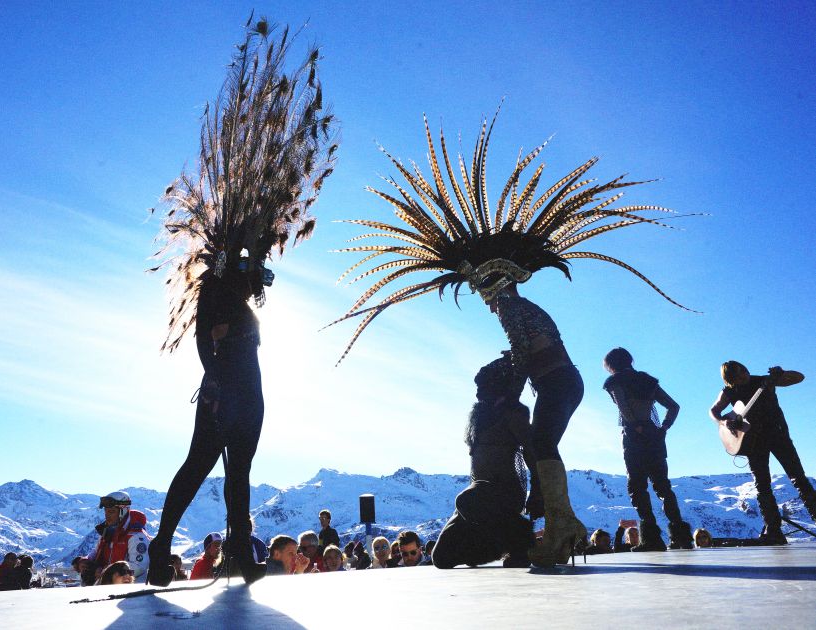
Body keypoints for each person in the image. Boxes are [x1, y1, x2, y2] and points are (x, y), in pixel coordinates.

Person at [328, 113, 690, 567]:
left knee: (541, 443)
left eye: (484, 291)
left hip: (558, 382)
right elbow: (524, 352)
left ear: (496, 284)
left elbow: (522, 353)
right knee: (542, 444)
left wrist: (506, 393)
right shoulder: (519, 310)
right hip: (560, 381)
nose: (484, 300)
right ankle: (557, 523)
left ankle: (561, 526)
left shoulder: (512, 309)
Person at [146, 18, 337, 588]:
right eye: (253, 262)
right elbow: (212, 347)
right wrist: (223, 386)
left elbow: (224, 341)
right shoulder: (218, 290)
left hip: (243, 389)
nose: (262, 272)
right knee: (205, 466)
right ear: (234, 259)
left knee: (237, 474)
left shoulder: (232, 295)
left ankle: (233, 553)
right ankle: (162, 549)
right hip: (229, 390)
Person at [432, 355, 536, 570]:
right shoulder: (478, 417)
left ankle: (520, 540)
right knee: (441, 558)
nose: (478, 394)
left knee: (464, 500)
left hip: (503, 492)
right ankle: (491, 543)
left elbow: (532, 451)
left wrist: (538, 491)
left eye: (484, 387)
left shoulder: (514, 413)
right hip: (478, 497)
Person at [710, 362, 816, 544]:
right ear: (730, 379)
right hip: (753, 442)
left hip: (778, 435)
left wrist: (782, 373)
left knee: (798, 478)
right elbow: (713, 411)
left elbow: (799, 377)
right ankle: (774, 530)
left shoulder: (764, 381)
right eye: (738, 374)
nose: (744, 374)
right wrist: (724, 422)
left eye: (744, 370)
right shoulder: (729, 392)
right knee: (762, 485)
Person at [603, 348, 692, 550]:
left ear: (611, 364)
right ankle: (681, 536)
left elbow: (622, 406)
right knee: (663, 486)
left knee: (637, 486)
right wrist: (664, 427)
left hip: (634, 436)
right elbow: (674, 406)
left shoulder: (614, 382)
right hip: (655, 436)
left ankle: (652, 538)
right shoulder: (649, 382)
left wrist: (634, 425)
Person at [88, 491, 151, 582]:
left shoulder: (136, 536)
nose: (107, 515)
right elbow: (96, 552)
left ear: (123, 511)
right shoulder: (107, 532)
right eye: (106, 511)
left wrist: (110, 572)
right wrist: (85, 561)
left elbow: (139, 567)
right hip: (110, 584)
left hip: (131, 589)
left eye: (111, 512)